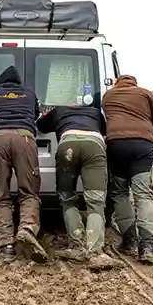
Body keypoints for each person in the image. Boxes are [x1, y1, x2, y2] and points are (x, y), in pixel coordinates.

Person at [36, 97, 120, 270]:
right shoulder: (95, 112)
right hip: (94, 146)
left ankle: (76, 246)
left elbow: (41, 126)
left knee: (67, 197)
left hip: (68, 144)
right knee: (96, 201)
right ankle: (95, 251)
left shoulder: (58, 110)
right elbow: (104, 129)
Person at [102, 75, 153, 265]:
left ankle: (129, 240)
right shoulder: (146, 94)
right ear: (135, 83)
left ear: (117, 83)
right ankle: (148, 246)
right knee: (143, 195)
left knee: (119, 192)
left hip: (116, 145)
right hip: (142, 146)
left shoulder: (108, 96)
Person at [0, 66, 47, 263]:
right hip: (24, 139)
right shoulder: (29, 93)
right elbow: (36, 115)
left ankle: (6, 247)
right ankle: (27, 229)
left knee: (1, 195)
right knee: (29, 192)